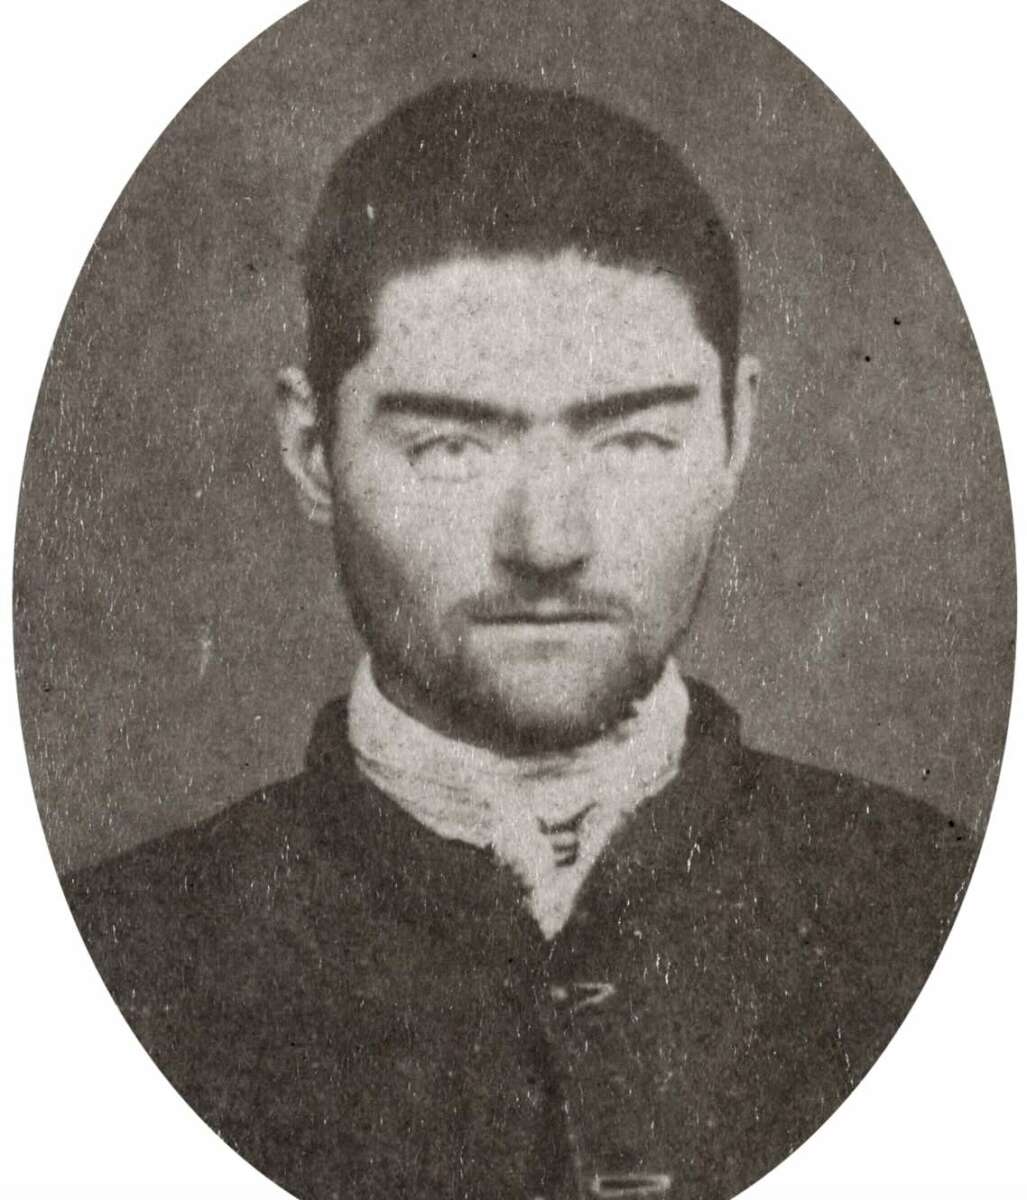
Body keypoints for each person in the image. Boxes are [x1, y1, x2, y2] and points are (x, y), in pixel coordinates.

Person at [63, 79, 976, 1200]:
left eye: (634, 440)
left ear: (736, 430)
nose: (549, 541)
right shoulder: (108, 961)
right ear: (312, 451)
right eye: (451, 446)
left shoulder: (943, 914)